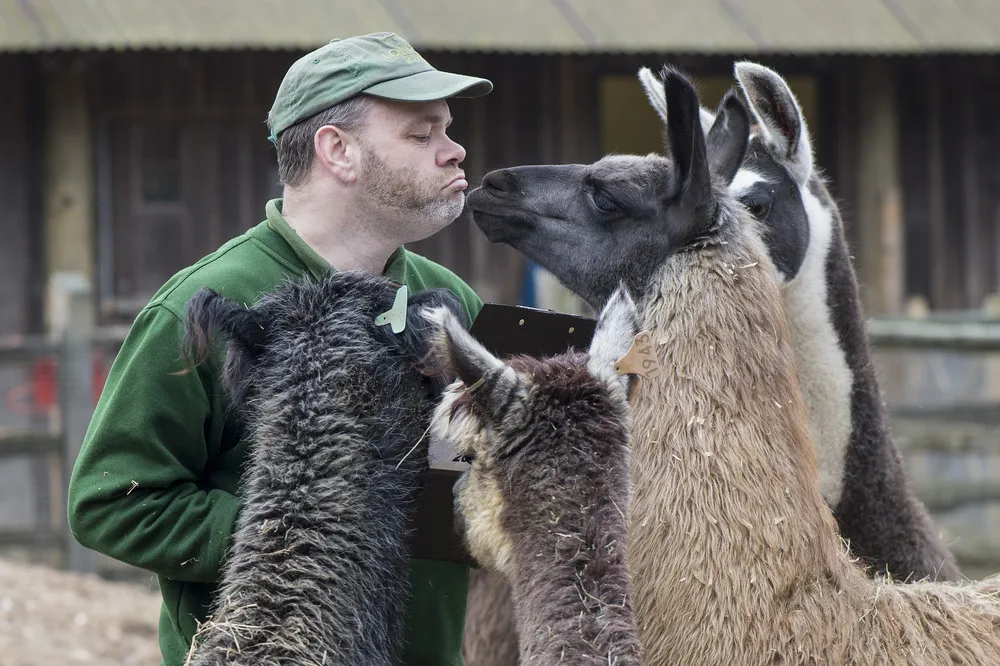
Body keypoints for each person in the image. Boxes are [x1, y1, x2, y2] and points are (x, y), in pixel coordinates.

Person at [66, 32, 492, 666]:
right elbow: (110, 503)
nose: (455, 151)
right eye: (421, 134)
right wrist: (302, 539)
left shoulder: (450, 299)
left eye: (448, 130)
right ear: (337, 150)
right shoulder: (207, 305)